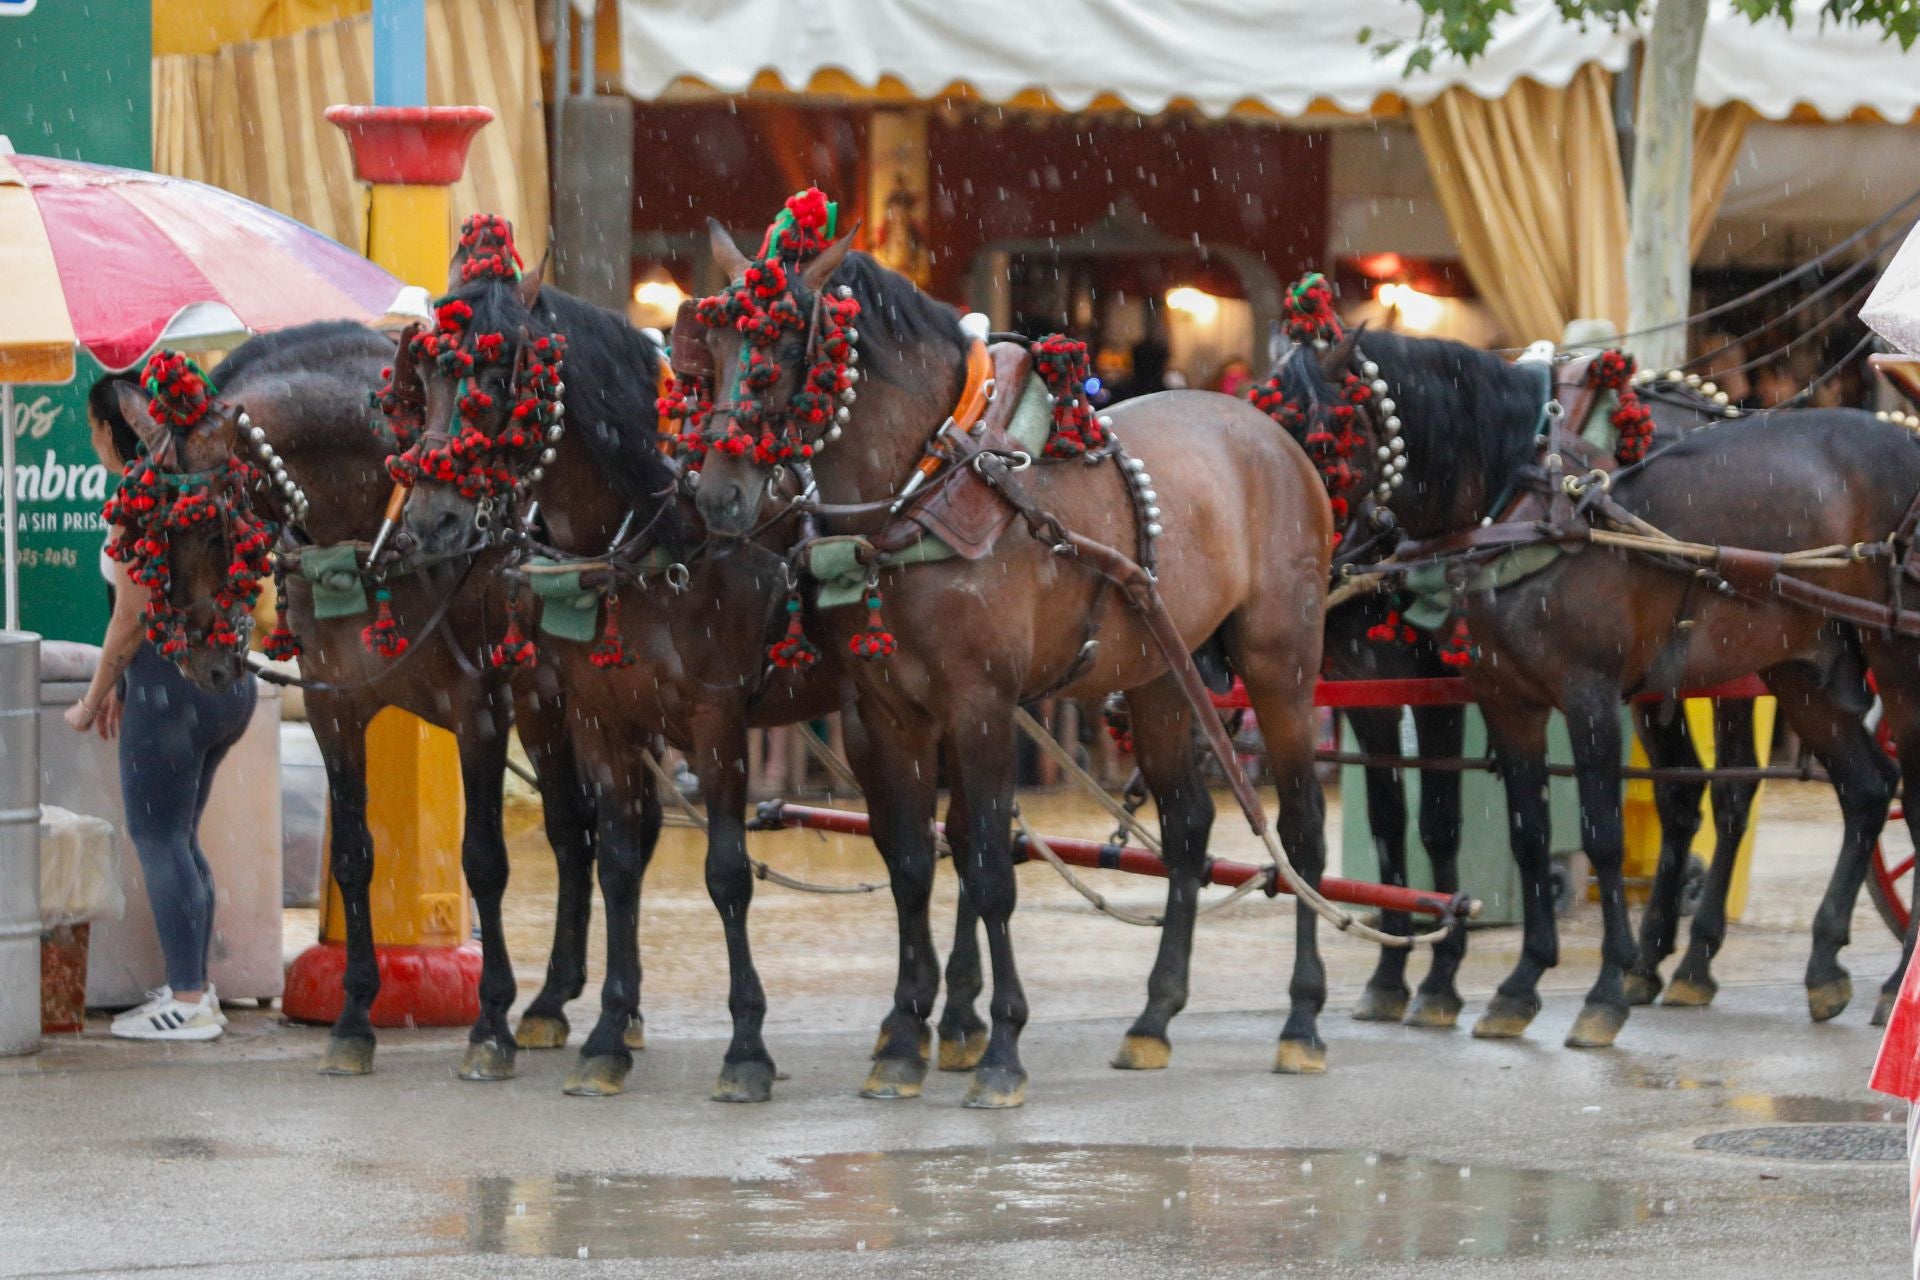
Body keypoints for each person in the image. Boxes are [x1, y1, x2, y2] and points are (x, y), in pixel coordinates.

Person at [64, 374, 257, 1041]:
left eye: (93, 427)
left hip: (168, 690)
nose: (91, 439)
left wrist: (92, 699)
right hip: (225, 685)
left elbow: (131, 618)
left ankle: (188, 997)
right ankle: (192, 988)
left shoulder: (138, 502)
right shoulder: (205, 493)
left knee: (158, 839)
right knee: (180, 838)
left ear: (107, 431)